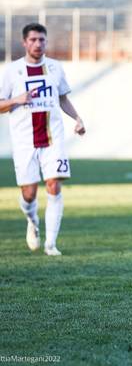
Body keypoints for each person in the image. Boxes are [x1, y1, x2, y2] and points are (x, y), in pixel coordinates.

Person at [0, 23, 86, 256]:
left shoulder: (55, 68)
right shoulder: (11, 71)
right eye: (33, 40)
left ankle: (51, 244)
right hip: (24, 141)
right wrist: (17, 99)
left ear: (46, 42)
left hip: (53, 139)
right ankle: (32, 221)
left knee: (54, 184)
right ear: (25, 42)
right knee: (29, 194)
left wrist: (77, 118)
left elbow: (63, 99)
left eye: (42, 40)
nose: (38, 44)